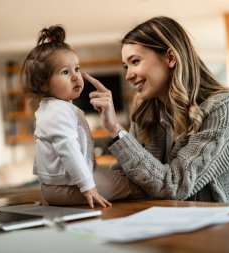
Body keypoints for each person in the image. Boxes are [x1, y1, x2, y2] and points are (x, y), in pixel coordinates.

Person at [83, 16, 229, 204]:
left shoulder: (224, 108)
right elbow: (126, 178)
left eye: (135, 62)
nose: (128, 75)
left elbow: (174, 186)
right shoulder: (147, 112)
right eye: (126, 66)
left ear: (170, 58)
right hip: (173, 220)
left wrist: (117, 130)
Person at [20, 25, 146, 208]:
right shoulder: (57, 111)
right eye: (65, 72)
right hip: (66, 188)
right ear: (43, 85)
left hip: (61, 186)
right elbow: (68, 148)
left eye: (77, 69)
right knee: (135, 183)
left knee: (122, 177)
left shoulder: (58, 108)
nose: (75, 77)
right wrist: (88, 186)